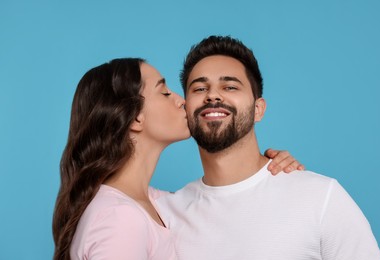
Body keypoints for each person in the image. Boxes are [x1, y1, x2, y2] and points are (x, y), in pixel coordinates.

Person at [156, 36, 380, 260]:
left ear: (258, 109)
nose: (212, 95)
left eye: (230, 86)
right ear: (186, 109)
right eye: (199, 89)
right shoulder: (163, 213)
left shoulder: (321, 197)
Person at [52, 58, 302, 260]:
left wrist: (269, 166)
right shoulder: (121, 218)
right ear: (136, 117)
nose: (181, 101)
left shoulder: (155, 203)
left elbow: (220, 202)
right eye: (164, 92)